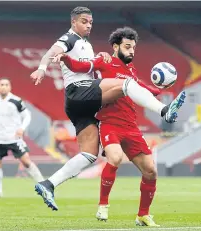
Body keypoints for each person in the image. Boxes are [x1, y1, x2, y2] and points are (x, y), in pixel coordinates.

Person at [31, 7, 185, 211]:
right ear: (74, 21)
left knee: (89, 153)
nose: (88, 25)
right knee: (125, 84)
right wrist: (42, 68)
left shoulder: (85, 44)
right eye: (84, 21)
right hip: (78, 91)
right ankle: (165, 111)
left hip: (79, 106)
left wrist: (154, 90)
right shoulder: (69, 39)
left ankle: (48, 184)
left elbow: (88, 66)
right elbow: (53, 53)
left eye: (91, 22)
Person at [52, 27, 163, 226]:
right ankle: (103, 205)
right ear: (115, 46)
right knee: (115, 157)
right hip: (110, 123)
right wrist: (65, 59)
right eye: (127, 47)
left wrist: (158, 90)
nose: (131, 51)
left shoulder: (131, 70)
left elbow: (143, 88)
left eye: (133, 48)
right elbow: (80, 66)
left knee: (151, 171)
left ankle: (143, 215)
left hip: (131, 126)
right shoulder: (105, 60)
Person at [0, 78, 44, 199]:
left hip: (14, 138)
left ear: (10, 87)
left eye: (6, 85)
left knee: (26, 161)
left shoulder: (16, 101)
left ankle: (43, 186)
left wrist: (22, 128)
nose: (4, 87)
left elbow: (27, 115)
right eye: (1, 84)